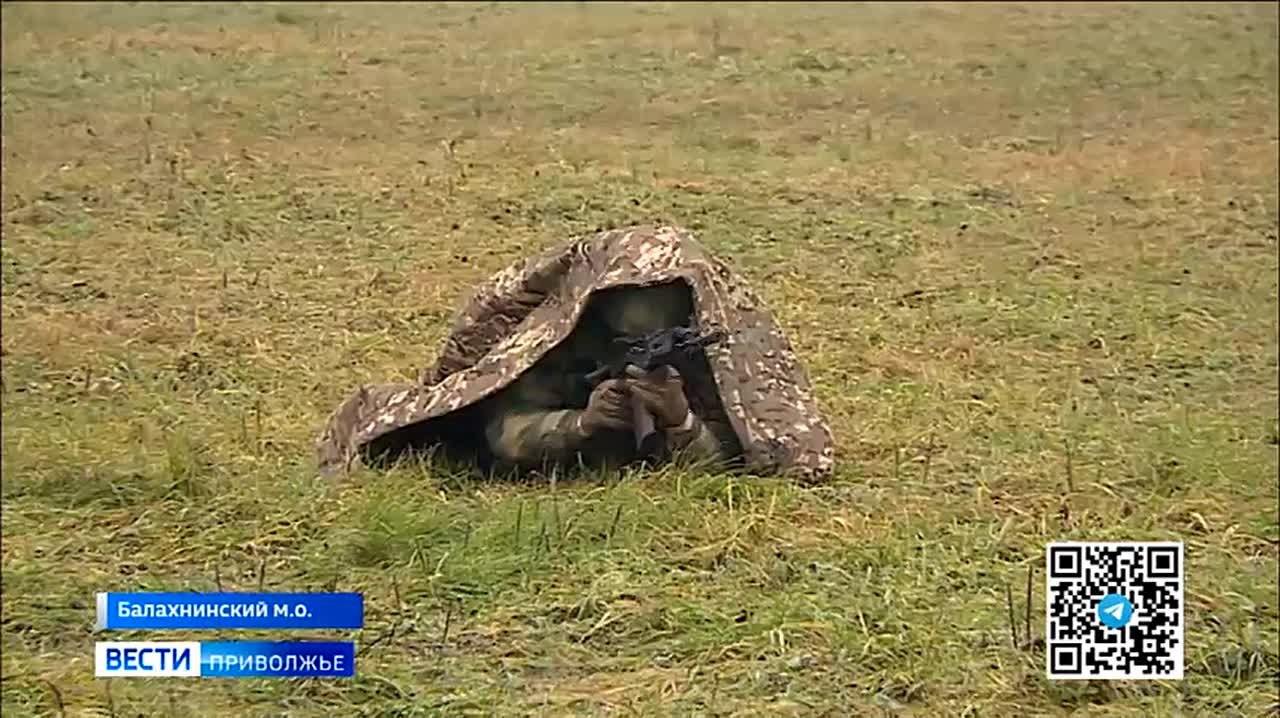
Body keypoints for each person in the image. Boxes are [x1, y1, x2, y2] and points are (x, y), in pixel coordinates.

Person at [482, 281, 741, 472]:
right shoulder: (563, 346)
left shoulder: (715, 357)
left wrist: (681, 421)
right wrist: (581, 423)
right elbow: (505, 436)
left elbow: (738, 459)